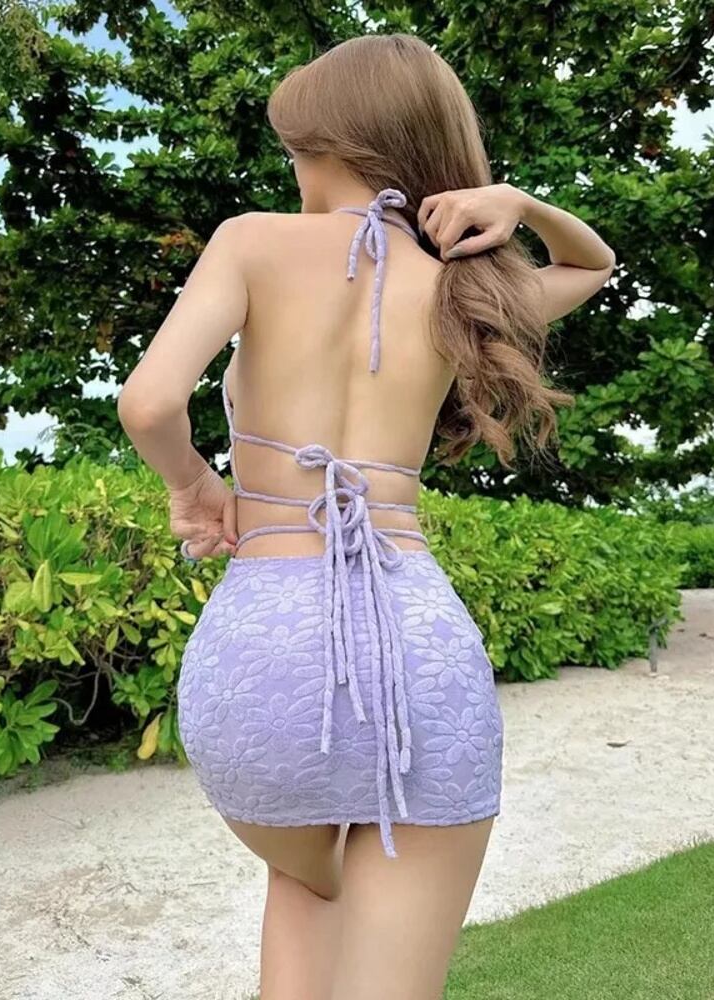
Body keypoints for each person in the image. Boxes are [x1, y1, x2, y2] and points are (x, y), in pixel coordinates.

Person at [117, 32, 615, 1000]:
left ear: (331, 143)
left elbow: (149, 404)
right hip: (415, 647)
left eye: (295, 149)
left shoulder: (251, 242)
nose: (291, 171)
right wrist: (517, 206)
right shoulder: (464, 284)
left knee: (307, 893)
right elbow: (590, 267)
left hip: (264, 648)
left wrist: (192, 485)